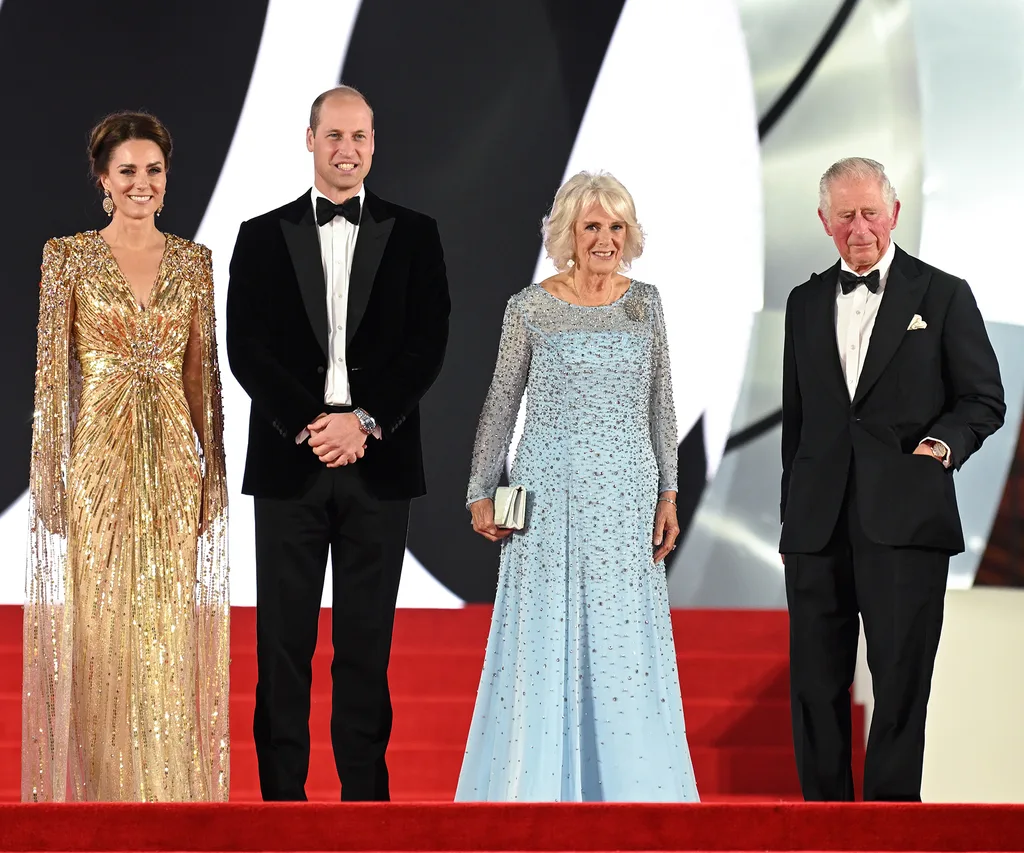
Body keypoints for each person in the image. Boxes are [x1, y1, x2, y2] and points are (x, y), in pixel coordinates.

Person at [226, 85, 450, 802]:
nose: (347, 149)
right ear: (310, 140)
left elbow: (428, 344)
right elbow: (246, 347)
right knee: (281, 646)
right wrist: (310, 422)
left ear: (374, 144)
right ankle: (282, 809)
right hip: (290, 460)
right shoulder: (261, 235)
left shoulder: (416, 233)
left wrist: (366, 420)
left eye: (359, 137)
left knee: (365, 645)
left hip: (378, 463)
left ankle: (365, 809)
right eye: (334, 135)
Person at [456, 170, 699, 802]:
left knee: (621, 648)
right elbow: (502, 404)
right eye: (592, 226)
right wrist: (480, 490)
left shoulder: (646, 303)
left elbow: (661, 404)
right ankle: (537, 795)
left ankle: (630, 796)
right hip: (548, 499)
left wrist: (669, 494)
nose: (605, 239)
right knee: (545, 641)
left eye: (616, 226)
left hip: (626, 498)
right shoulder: (529, 308)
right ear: (568, 233)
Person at [780, 157, 1005, 802]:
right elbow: (799, 421)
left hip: (908, 517)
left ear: (895, 214)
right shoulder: (803, 302)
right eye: (845, 215)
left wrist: (941, 447)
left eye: (870, 213)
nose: (859, 228)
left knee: (901, 679)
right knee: (815, 682)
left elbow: (984, 398)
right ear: (824, 221)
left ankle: (889, 825)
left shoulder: (943, 294)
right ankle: (824, 825)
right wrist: (792, 517)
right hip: (817, 524)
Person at [23, 111, 230, 802]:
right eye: (128, 171)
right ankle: (109, 801)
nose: (143, 183)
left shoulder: (195, 262)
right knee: (103, 634)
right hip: (99, 465)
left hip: (172, 461)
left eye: (154, 170)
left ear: (166, 179)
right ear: (103, 180)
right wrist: (48, 476)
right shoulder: (67, 258)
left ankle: (167, 800)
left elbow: (201, 377)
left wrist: (213, 472)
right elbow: (52, 381)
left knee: (163, 632)